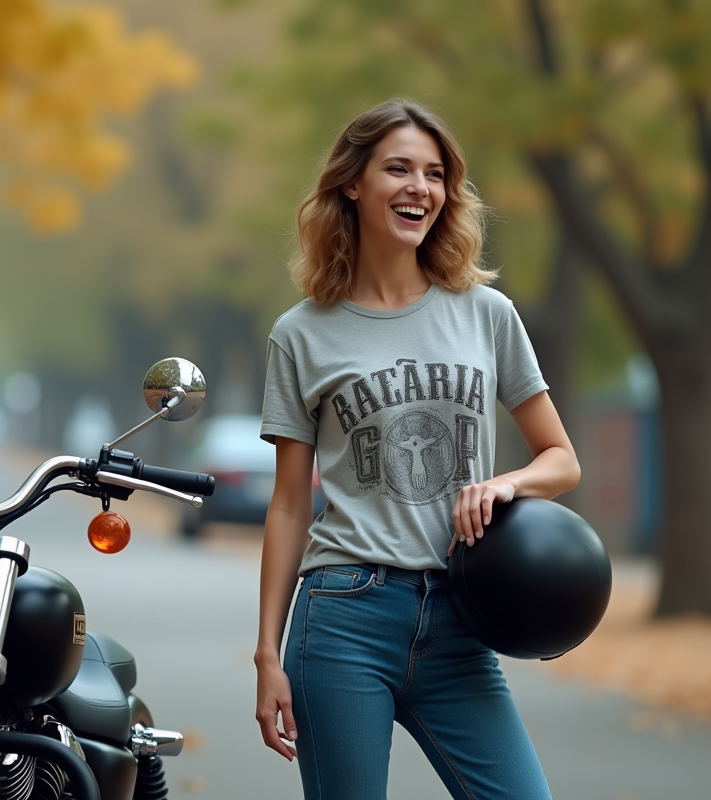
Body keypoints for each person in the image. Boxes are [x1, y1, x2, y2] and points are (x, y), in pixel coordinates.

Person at [254, 99, 581, 800]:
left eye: (434, 174)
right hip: (343, 616)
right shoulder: (301, 334)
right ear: (353, 183)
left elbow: (560, 458)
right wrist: (266, 655)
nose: (419, 188)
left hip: (460, 621)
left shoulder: (486, 313)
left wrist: (508, 486)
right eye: (397, 169)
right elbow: (287, 505)